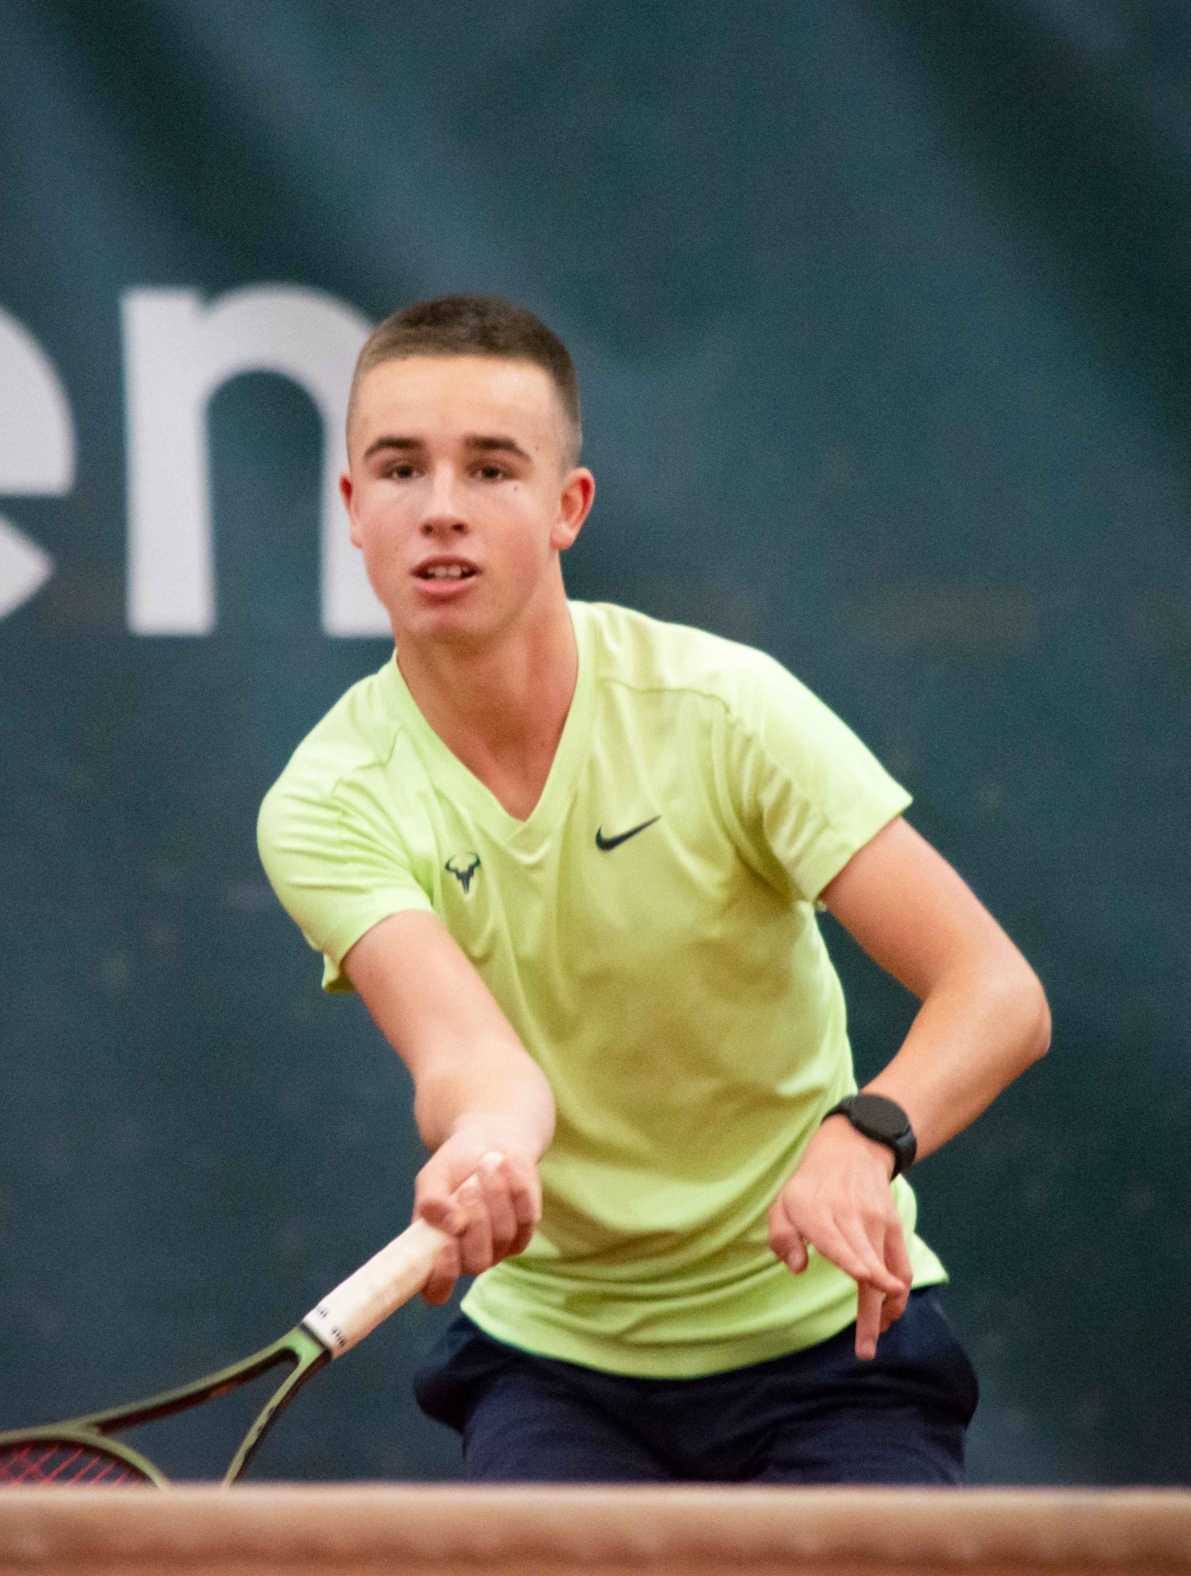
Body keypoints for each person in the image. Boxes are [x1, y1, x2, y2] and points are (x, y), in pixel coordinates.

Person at [256, 294, 1049, 1483]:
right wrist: (489, 1145)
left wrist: (866, 1135)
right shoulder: (324, 801)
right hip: (555, 1375)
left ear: (567, 507)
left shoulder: (726, 711)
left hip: (832, 1348)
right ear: (352, 508)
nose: (441, 508)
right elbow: (469, 1057)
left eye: (491, 470)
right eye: (400, 468)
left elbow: (996, 992)